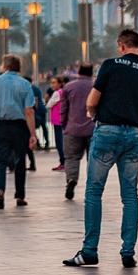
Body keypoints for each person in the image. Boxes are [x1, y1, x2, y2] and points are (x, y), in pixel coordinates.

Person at [64, 29, 138, 269]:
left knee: (94, 192)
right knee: (130, 195)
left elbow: (93, 99)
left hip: (108, 131)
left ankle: (89, 251)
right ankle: (128, 251)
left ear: (121, 45)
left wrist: (92, 113)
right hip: (135, 135)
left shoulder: (111, 64)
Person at [0, 55, 37, 209]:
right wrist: (32, 134)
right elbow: (29, 111)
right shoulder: (26, 84)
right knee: (20, 160)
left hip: (0, 126)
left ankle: (0, 190)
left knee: (1, 160)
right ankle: (20, 195)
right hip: (20, 127)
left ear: (4, 66)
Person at [61, 63, 96, 200]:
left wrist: (64, 125)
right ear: (91, 73)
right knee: (93, 159)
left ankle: (71, 179)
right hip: (93, 128)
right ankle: (92, 186)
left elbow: (64, 110)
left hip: (72, 128)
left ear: (78, 72)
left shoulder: (69, 87)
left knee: (71, 158)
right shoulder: (96, 87)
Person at [48, 76, 67, 171]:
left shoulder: (57, 93)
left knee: (59, 142)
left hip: (57, 120)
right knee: (62, 141)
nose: (52, 85)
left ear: (59, 84)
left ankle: (63, 162)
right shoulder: (63, 92)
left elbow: (49, 105)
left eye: (54, 83)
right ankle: (64, 161)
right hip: (62, 120)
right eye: (51, 83)